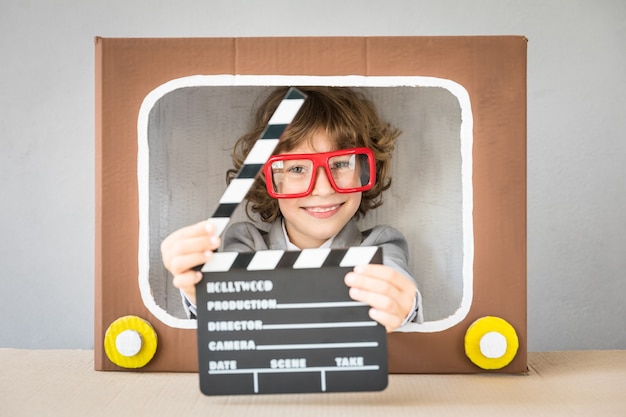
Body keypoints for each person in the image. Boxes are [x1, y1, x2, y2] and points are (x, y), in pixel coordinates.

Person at [161, 86, 423, 331]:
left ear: (366, 170)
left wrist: (402, 304)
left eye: (341, 164)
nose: (322, 189)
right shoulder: (246, 243)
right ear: (269, 178)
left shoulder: (381, 246)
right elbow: (228, 308)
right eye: (297, 168)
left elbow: (395, 282)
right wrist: (202, 290)